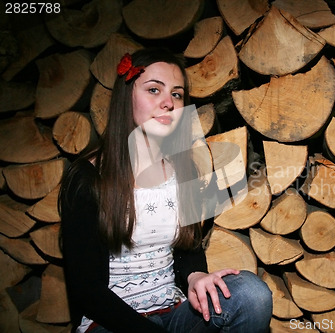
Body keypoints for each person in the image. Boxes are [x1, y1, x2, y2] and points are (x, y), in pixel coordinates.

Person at [59, 47, 272, 333]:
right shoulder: (87, 177)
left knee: (251, 295)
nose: (168, 103)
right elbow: (86, 291)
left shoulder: (183, 169)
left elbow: (188, 247)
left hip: (174, 312)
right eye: (153, 90)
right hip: (111, 322)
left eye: (176, 94)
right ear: (127, 97)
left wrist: (196, 277)